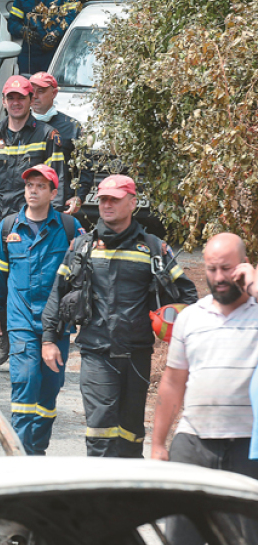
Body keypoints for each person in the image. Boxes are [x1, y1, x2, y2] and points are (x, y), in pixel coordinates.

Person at [41, 175, 198, 457]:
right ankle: (100, 499)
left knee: (131, 435)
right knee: (100, 434)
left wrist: (180, 331)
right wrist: (49, 339)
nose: (107, 204)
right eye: (103, 199)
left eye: (114, 198)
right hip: (96, 352)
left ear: (132, 202)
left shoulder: (153, 248)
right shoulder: (81, 247)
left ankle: (129, 497)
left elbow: (188, 297)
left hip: (137, 354)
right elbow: (58, 291)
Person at [150, 233, 258, 545]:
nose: (219, 277)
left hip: (248, 449)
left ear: (244, 265)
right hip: (193, 444)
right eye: (211, 269)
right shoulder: (190, 318)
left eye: (227, 268)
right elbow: (172, 382)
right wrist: (157, 443)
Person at [0, 164, 82, 455]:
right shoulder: (9, 227)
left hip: (57, 323)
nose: (33, 191)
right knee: (25, 382)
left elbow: (83, 272)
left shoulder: (68, 227)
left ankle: (37, 450)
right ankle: (20, 456)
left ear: (53, 193)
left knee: (50, 389)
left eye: (40, 186)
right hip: (21, 320)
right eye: (29, 186)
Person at [0, 75, 65, 365]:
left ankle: (37, 334)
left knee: (33, 277)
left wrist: (57, 210)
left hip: (33, 217)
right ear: (4, 102)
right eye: (10, 98)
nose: (16, 103)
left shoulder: (47, 135)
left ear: (31, 101)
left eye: (21, 97)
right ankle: (4, 335)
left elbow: (58, 178)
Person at [29, 72, 93, 215]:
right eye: (32, 91)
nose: (35, 96)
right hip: (27, 205)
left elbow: (85, 168)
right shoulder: (19, 126)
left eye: (41, 91)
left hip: (60, 206)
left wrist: (79, 196)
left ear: (54, 93)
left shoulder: (71, 127)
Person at [7, 0, 83, 74]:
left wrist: (56, 33)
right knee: (27, 84)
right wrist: (22, 31)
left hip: (57, 53)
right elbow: (13, 23)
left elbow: (72, 18)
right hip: (30, 53)